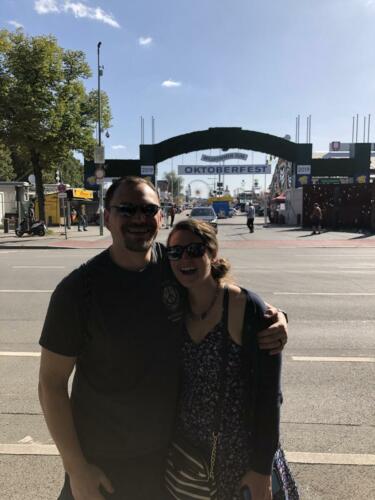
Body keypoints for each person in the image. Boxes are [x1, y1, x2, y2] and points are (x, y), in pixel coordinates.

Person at [38, 176, 288, 500]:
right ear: (108, 216)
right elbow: (51, 384)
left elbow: (223, 296)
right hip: (104, 463)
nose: (139, 218)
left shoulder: (172, 264)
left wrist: (276, 317)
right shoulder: (78, 291)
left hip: (169, 461)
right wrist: (76, 468)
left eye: (148, 209)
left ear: (161, 216)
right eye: (127, 209)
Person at [165, 219, 282, 500]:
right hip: (186, 455)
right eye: (175, 252)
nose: (185, 259)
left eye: (194, 250)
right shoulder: (174, 306)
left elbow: (269, 395)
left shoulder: (244, 306)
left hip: (239, 457)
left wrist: (261, 468)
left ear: (212, 253)